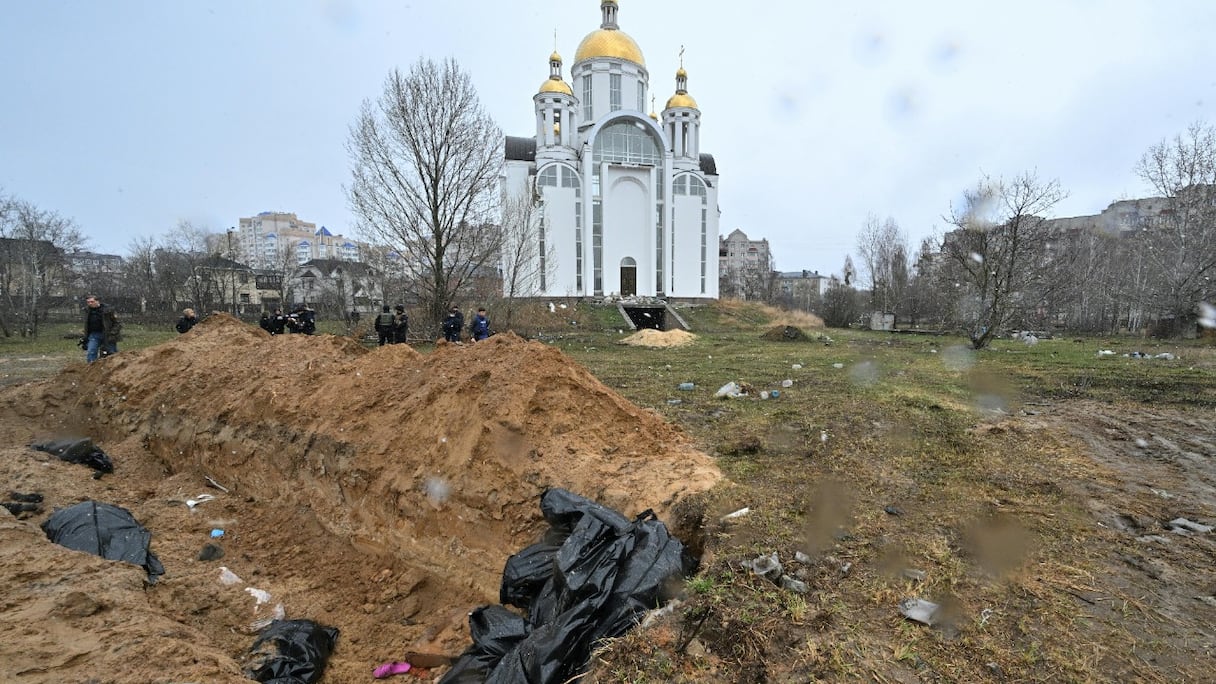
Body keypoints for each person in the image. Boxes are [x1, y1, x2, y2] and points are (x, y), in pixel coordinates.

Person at [82, 295, 121, 362]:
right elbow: (86, 324)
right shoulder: (87, 311)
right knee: (91, 351)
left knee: (110, 352)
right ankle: (91, 367)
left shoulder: (108, 310)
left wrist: (113, 333)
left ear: (97, 301)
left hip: (108, 334)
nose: (90, 304)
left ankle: (113, 367)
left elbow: (118, 323)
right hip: (94, 334)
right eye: (88, 302)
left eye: (92, 302)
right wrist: (85, 336)